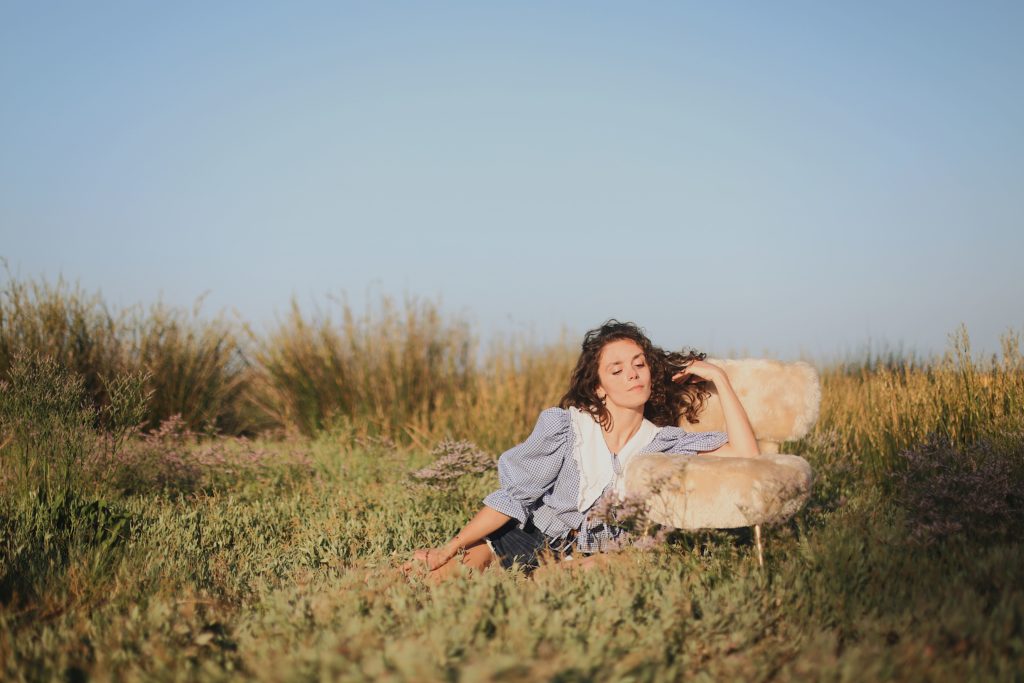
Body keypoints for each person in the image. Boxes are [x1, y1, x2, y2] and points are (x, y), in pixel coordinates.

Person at [407, 320, 759, 579]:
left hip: (607, 553)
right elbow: (514, 498)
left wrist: (719, 379)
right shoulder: (566, 428)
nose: (633, 375)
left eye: (639, 364)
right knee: (439, 577)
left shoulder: (664, 443)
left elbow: (747, 455)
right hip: (534, 536)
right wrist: (449, 547)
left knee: (551, 586)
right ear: (599, 387)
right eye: (617, 370)